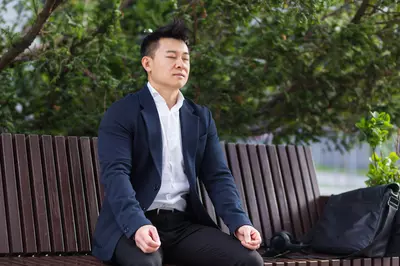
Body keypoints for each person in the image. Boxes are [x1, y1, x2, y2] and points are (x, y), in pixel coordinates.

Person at [91, 19, 264, 266]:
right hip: (131, 225)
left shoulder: (200, 117)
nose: (180, 64)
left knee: (249, 261)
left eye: (185, 58)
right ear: (147, 64)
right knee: (146, 264)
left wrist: (240, 223)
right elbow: (115, 174)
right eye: (171, 56)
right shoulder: (123, 112)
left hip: (184, 227)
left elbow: (217, 176)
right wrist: (137, 224)